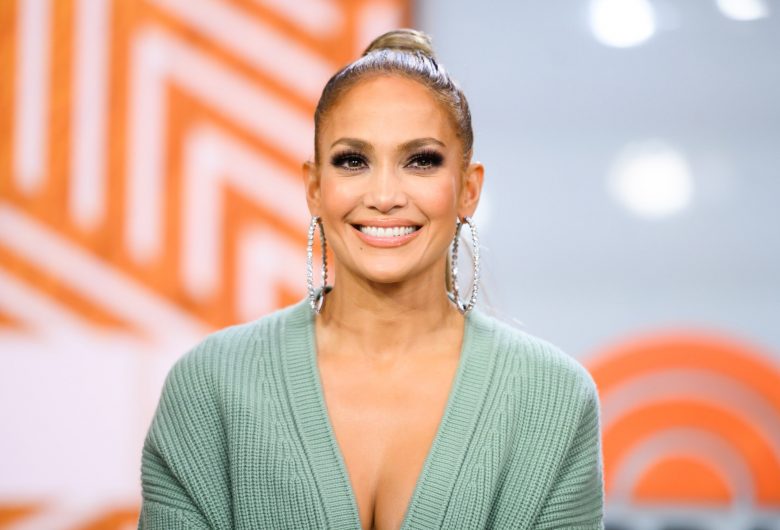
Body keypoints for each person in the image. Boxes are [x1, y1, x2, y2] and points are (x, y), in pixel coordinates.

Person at [138, 28, 605, 530]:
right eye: (353, 161)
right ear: (314, 188)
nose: (384, 196)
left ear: (469, 190)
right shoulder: (211, 386)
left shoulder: (554, 399)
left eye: (421, 161)